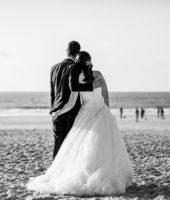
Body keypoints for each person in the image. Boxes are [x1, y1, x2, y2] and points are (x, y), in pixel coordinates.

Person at [27, 51, 134, 195]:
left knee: (83, 148)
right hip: (101, 112)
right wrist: (106, 112)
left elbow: (73, 100)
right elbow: (106, 96)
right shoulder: (99, 75)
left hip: (85, 113)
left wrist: (59, 111)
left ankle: (87, 173)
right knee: (104, 145)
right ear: (90, 61)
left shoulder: (77, 79)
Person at [48, 41, 104, 159]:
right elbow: (74, 89)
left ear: (67, 52)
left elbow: (52, 92)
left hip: (56, 112)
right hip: (71, 112)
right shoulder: (75, 67)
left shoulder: (54, 68)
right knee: (70, 146)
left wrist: (53, 110)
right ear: (78, 53)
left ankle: (55, 171)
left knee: (58, 144)